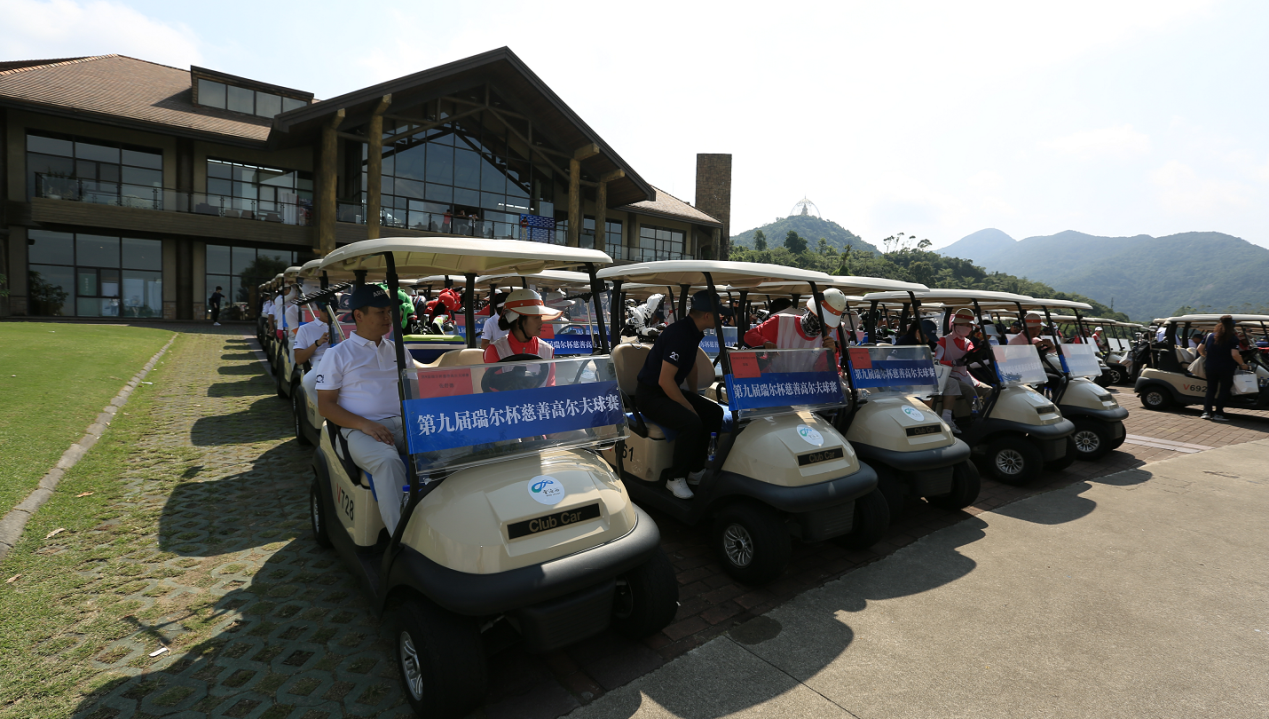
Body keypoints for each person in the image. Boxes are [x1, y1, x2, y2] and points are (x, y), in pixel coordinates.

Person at [316, 284, 422, 536]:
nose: (388, 318)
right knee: (387, 462)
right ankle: (402, 538)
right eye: (380, 312)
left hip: (403, 424)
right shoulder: (338, 354)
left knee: (450, 451)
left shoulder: (399, 350)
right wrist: (365, 424)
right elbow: (325, 405)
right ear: (359, 315)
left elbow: (413, 394)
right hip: (359, 430)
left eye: (389, 312)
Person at [634, 290, 726, 499]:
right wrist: (690, 407)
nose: (721, 317)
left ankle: (695, 470)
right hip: (650, 396)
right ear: (707, 315)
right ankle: (675, 478)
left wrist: (694, 396)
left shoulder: (693, 331)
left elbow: (691, 365)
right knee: (691, 422)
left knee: (714, 412)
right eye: (718, 313)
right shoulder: (679, 334)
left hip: (666, 392)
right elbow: (664, 380)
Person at [742, 288, 845, 372]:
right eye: (827, 326)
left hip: (804, 386)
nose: (829, 331)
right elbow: (749, 336)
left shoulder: (825, 341)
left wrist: (831, 353)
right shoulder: (780, 321)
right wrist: (765, 342)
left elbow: (825, 371)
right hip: (774, 382)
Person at [935, 309, 988, 433]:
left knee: (989, 390)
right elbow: (937, 362)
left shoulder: (968, 342)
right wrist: (952, 362)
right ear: (955, 325)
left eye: (969, 325)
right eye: (963, 325)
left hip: (964, 374)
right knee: (970, 391)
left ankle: (989, 414)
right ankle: (980, 417)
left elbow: (971, 352)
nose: (967, 328)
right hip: (948, 375)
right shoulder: (944, 341)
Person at [483, 288, 559, 363]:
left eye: (540, 317)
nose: (541, 322)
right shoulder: (495, 351)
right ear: (519, 320)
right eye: (536, 317)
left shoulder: (547, 350)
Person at [1198, 315, 1250, 422]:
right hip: (1226, 367)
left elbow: (1199, 348)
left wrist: (1206, 356)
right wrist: (1242, 364)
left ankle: (1206, 412)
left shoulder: (1210, 336)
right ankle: (1218, 413)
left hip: (1210, 366)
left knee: (1211, 389)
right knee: (1224, 390)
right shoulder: (1233, 338)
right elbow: (1235, 354)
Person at [294, 303, 333, 369]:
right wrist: (317, 343)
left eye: (333, 309)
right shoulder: (305, 329)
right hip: (320, 366)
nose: (329, 312)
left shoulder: (344, 327)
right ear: (318, 308)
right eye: (324, 309)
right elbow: (298, 360)